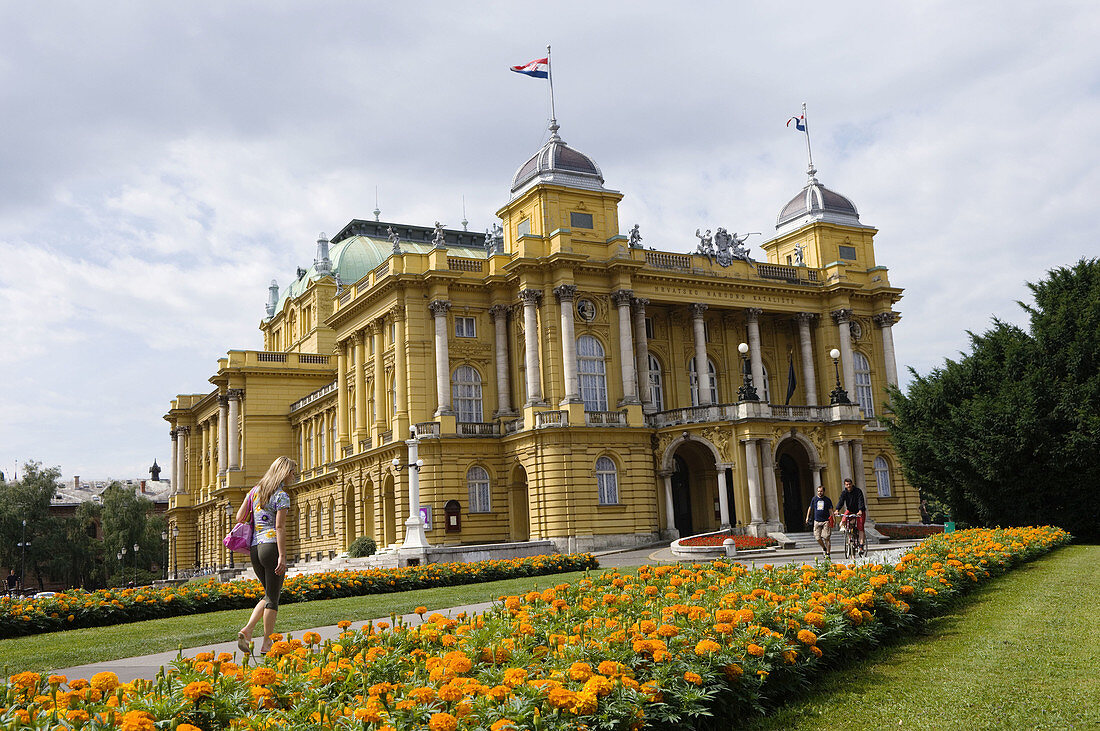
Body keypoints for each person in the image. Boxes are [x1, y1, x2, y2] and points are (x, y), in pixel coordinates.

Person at [236, 456, 295, 655]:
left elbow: (240, 517)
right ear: (284, 473)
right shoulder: (281, 496)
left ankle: (249, 630)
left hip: (255, 548)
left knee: (269, 594)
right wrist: (282, 556)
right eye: (292, 472)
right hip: (270, 547)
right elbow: (280, 527)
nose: (293, 476)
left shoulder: (254, 491)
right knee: (273, 598)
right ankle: (266, 642)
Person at [834, 477, 867, 553]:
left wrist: (860, 510)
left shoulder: (858, 491)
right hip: (850, 510)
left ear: (852, 484)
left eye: (849, 484)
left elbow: (860, 500)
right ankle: (845, 529)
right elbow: (841, 501)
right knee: (844, 518)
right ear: (845, 485)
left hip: (859, 511)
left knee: (860, 527)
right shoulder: (844, 493)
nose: (848, 486)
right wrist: (837, 510)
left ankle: (861, 546)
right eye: (846, 485)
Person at [805, 484, 834, 559]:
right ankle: (824, 548)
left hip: (826, 521)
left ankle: (828, 553)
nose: (819, 493)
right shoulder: (814, 499)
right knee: (817, 537)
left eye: (821, 491)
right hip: (817, 521)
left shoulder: (827, 500)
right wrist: (807, 517)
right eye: (818, 491)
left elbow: (831, 510)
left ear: (824, 491)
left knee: (826, 537)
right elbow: (810, 508)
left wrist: (833, 519)